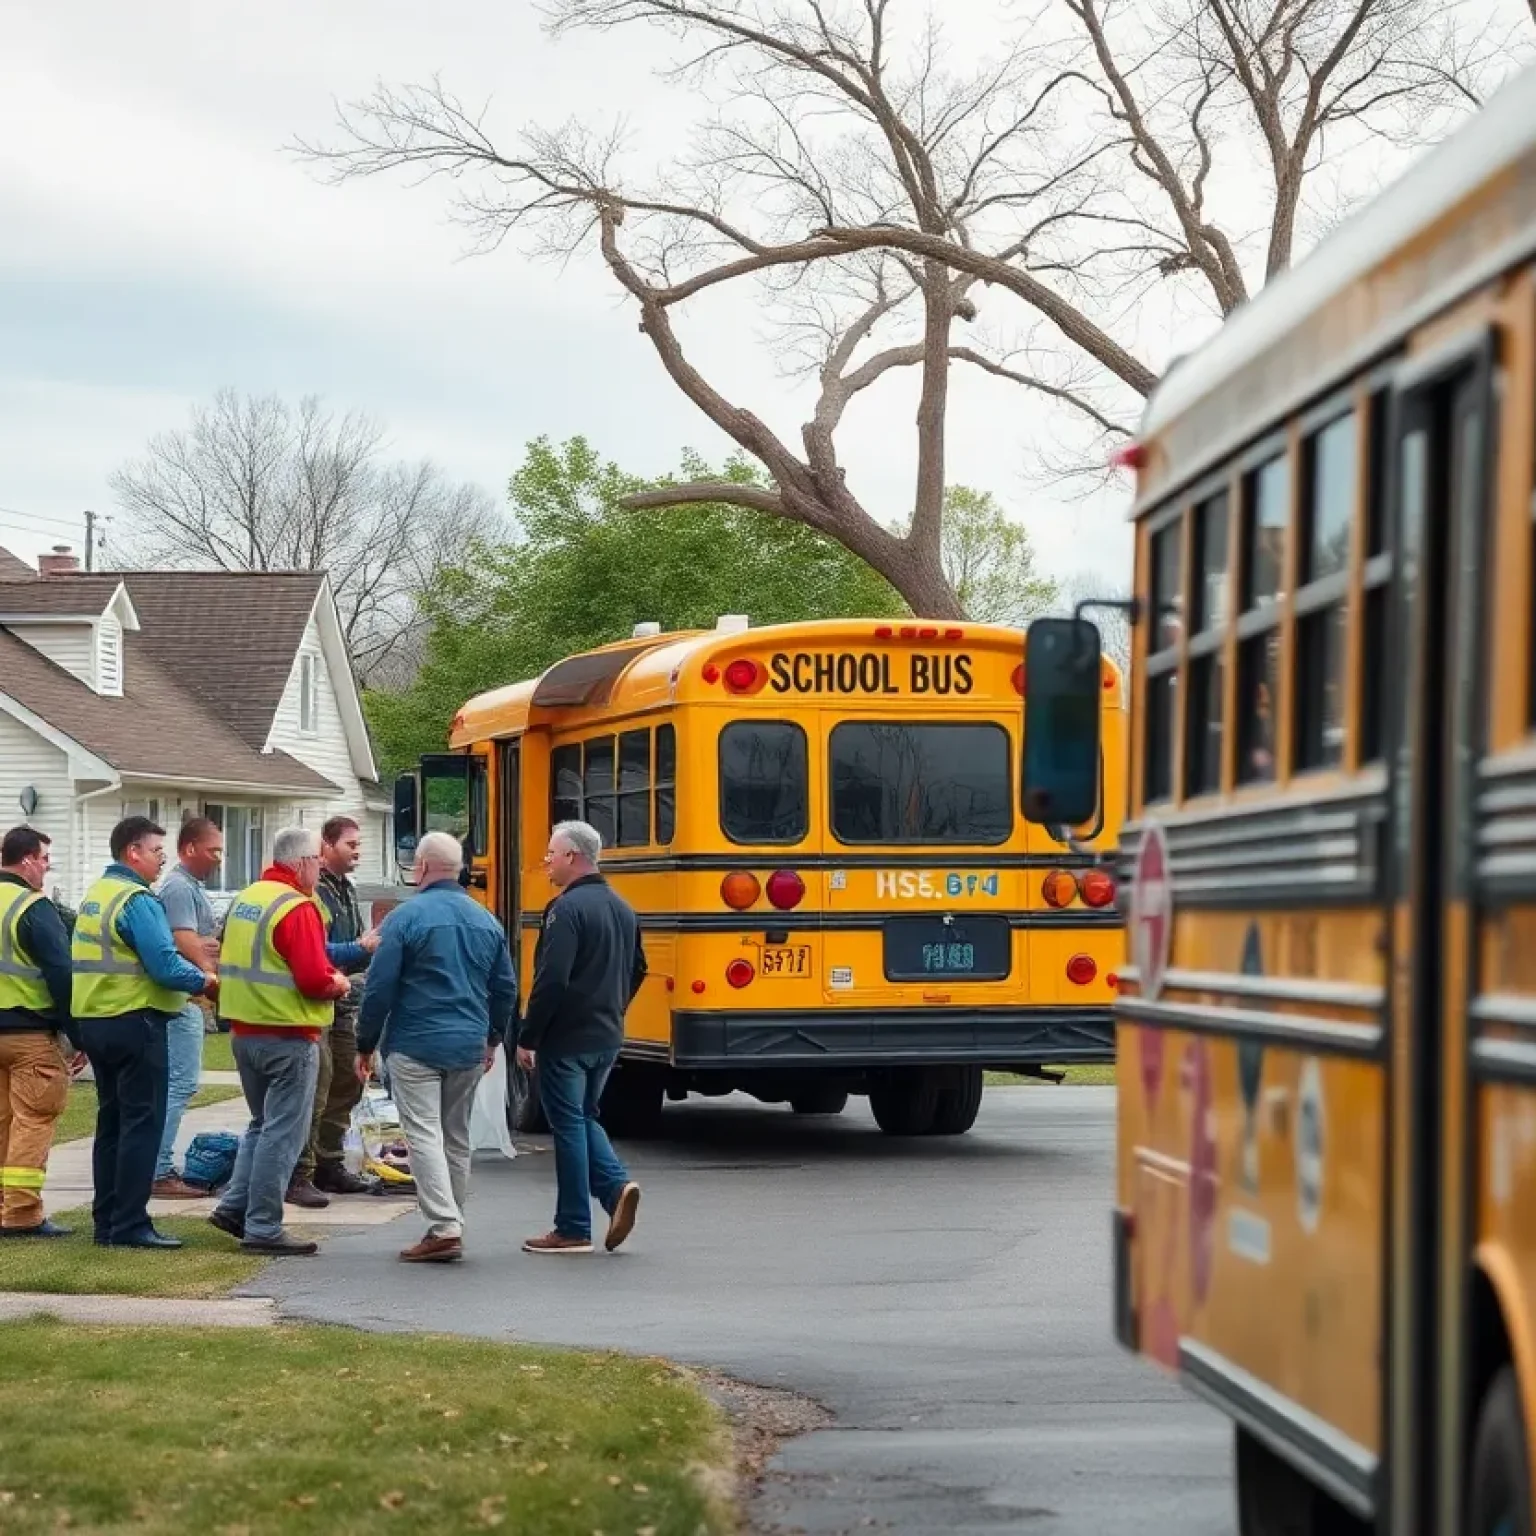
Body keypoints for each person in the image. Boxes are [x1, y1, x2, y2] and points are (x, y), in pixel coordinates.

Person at [356, 831, 516, 1264]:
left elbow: (380, 987)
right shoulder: (486, 920)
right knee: (456, 1136)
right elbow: (505, 988)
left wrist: (365, 1043)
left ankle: (444, 1226)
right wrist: (493, 1038)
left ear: (422, 867)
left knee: (423, 1132)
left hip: (415, 1041)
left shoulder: (405, 919)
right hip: (467, 1042)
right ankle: (451, 1220)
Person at [73, 816, 217, 1250]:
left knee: (112, 1123)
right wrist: (207, 981)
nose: (161, 859)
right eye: (156, 851)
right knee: (142, 1123)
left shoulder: (97, 895)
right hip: (136, 1021)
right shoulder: (138, 900)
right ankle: (131, 1224)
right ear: (132, 853)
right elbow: (165, 966)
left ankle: (107, 1222)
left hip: (95, 1020)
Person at [209, 827, 349, 1257]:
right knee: (282, 1135)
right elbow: (312, 979)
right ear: (302, 862)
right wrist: (340, 983)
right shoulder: (297, 907)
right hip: (288, 1035)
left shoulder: (248, 898)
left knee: (260, 1125)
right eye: (317, 861)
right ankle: (264, 1226)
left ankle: (234, 1207)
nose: (321, 868)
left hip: (245, 1031)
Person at [517, 820, 645, 1256]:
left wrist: (528, 1035)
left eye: (551, 854)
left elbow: (552, 979)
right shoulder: (623, 908)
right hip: (607, 1034)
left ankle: (573, 1225)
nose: (547, 862)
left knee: (567, 1123)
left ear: (572, 856)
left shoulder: (565, 910)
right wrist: (615, 1006)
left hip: (567, 1037)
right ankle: (614, 1190)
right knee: (583, 1116)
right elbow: (639, 968)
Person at [288, 816, 379, 1207]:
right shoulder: (314, 893)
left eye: (359, 845)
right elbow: (318, 953)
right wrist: (361, 948)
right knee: (317, 1086)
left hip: (344, 1001)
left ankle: (330, 1162)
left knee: (348, 1079)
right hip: (315, 1000)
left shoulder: (345, 889)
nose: (357, 852)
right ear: (324, 847)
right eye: (350, 845)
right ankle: (300, 1172)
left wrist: (360, 955)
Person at [0, 827, 78, 1237]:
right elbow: (61, 974)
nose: (47, 867)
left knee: (2, 1122)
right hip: (30, 1034)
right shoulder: (32, 907)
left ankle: (2, 1206)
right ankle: (22, 1214)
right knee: (32, 1120)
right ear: (28, 859)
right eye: (45, 858)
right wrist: (78, 1034)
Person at [152, 816, 224, 1200]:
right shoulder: (179, 887)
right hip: (183, 1001)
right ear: (190, 848)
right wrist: (211, 977)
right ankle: (159, 1171)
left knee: (177, 1084)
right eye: (213, 850)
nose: (218, 858)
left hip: (188, 999)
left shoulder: (190, 886)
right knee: (179, 1084)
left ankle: (158, 1166)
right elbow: (183, 940)